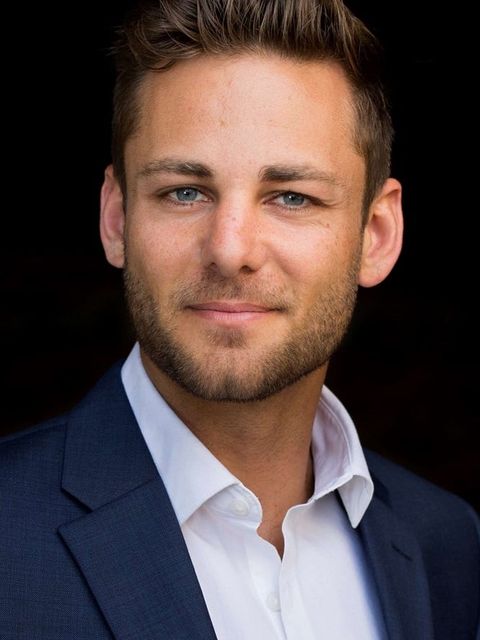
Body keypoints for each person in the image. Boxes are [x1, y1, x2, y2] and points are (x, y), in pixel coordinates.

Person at [1, 0, 478, 638]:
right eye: (184, 192)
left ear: (376, 234)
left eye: (292, 197)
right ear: (116, 218)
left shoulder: (447, 543)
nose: (230, 249)